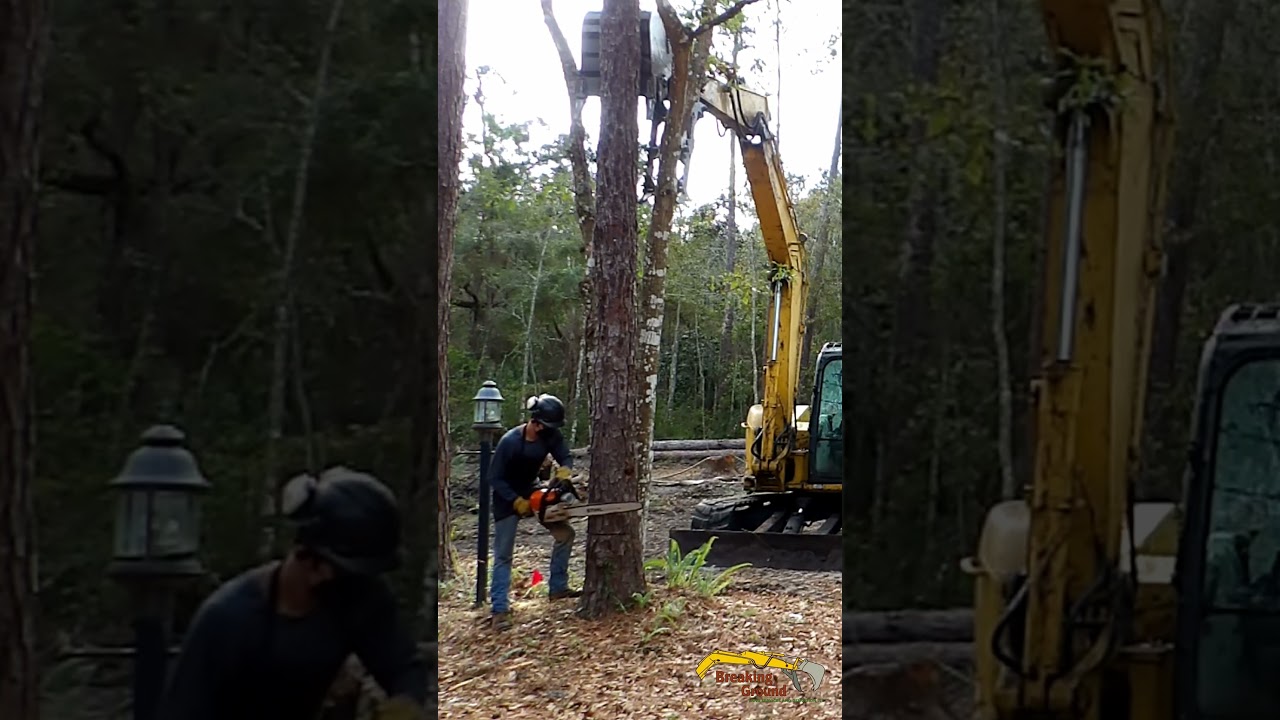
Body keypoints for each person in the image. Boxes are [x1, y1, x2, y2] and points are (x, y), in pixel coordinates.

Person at [159, 467, 427, 720]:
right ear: (314, 565)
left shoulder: (358, 600)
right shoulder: (229, 620)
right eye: (353, 575)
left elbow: (404, 667)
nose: (362, 585)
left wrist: (405, 705)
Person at [489, 393, 580, 630]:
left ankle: (558, 587)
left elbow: (565, 455)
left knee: (565, 535)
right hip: (506, 498)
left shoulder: (550, 434)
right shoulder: (509, 442)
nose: (549, 431)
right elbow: (494, 478)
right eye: (545, 426)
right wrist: (515, 500)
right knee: (503, 555)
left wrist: (564, 473)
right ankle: (499, 609)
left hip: (532, 490)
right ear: (536, 422)